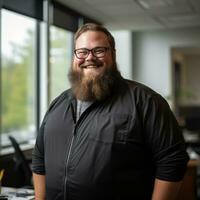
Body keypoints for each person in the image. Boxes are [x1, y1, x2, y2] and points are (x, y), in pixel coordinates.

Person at [32, 23, 189, 200]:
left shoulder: (145, 101)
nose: (89, 57)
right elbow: (39, 160)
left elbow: (172, 161)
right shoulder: (58, 104)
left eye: (98, 50)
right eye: (82, 51)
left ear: (113, 54)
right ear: (74, 57)